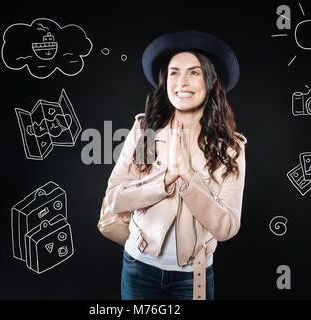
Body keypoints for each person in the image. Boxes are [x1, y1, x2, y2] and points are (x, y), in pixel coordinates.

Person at [104, 31, 247, 300]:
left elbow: (227, 227)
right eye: (174, 72)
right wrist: (166, 181)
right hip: (138, 268)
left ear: (210, 80)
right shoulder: (145, 130)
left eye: (194, 72)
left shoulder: (231, 147)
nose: (182, 82)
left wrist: (189, 180)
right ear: (165, 81)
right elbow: (115, 199)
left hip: (194, 276)